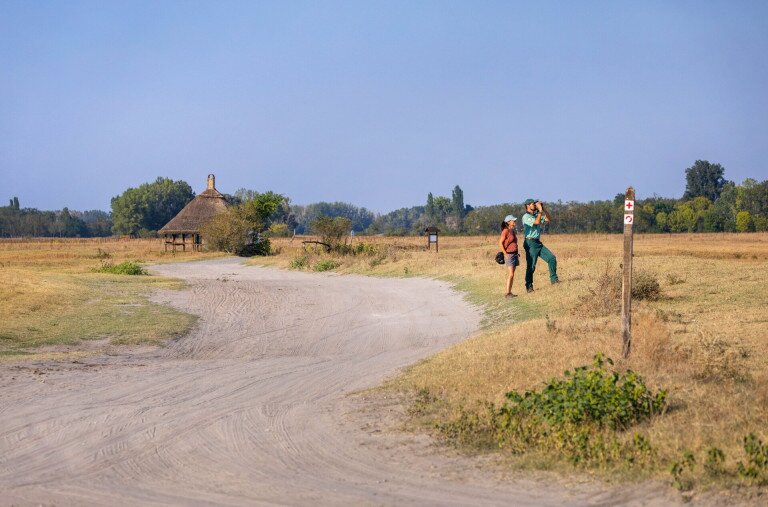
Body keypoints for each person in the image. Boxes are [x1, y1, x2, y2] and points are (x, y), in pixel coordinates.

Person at [522, 199, 559, 293]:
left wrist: (544, 209)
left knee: (551, 258)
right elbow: (537, 222)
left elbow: (549, 219)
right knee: (531, 266)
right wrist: (540, 211)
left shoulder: (536, 215)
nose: (535, 205)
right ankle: (529, 286)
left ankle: (554, 280)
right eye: (533, 204)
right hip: (530, 243)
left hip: (538, 242)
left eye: (535, 204)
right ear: (528, 205)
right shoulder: (526, 217)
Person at [498, 214, 519, 298]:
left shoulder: (512, 231)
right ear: (508, 222)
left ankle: (510, 292)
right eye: (513, 220)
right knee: (511, 274)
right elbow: (500, 243)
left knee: (512, 274)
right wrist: (505, 253)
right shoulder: (505, 231)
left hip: (514, 254)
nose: (515, 222)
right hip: (509, 254)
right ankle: (507, 293)